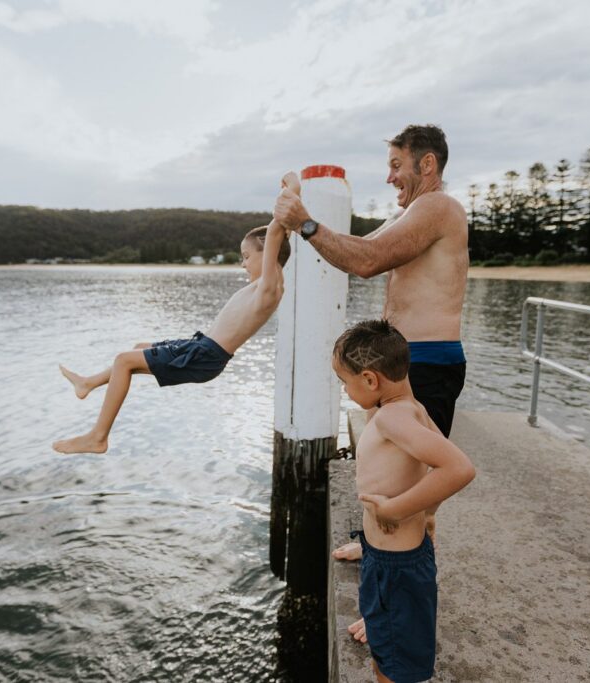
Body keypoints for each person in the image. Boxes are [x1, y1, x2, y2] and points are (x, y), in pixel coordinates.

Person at [274, 124, 469, 634]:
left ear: (426, 164)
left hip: (426, 362)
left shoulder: (438, 208)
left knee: (416, 491)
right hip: (405, 362)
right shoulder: (414, 213)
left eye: (397, 166)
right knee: (389, 471)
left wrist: (307, 224)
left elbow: (368, 262)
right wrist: (306, 222)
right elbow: (359, 247)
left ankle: (393, 608)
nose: (390, 178)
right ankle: (374, 551)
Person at [52, 174, 298, 455]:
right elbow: (279, 233)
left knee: (123, 361)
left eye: (246, 256)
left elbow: (276, 231)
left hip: (206, 354)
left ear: (268, 252)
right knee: (138, 349)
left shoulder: (269, 288)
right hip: (200, 346)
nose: (243, 264)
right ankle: (89, 382)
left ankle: (97, 437)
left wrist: (294, 190)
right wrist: (284, 226)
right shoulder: (265, 287)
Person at [333, 320, 475, 683]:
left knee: (397, 664)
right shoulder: (412, 409)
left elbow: (458, 468)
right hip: (391, 558)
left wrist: (395, 508)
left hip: (395, 567)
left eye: (344, 382)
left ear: (369, 379)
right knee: (389, 643)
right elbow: (429, 467)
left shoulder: (393, 419)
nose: (344, 390)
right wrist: (428, 513)